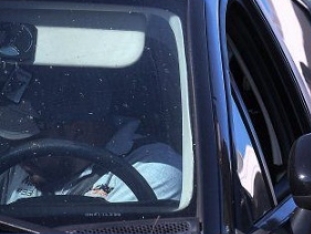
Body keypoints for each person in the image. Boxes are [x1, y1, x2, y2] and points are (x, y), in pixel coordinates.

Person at [0, 69, 181, 204]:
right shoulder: (18, 166)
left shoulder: (152, 171)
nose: (19, 156)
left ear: (78, 131)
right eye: (13, 143)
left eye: (28, 142)